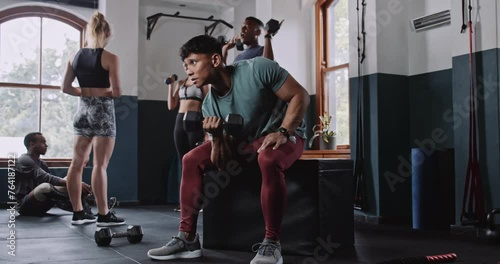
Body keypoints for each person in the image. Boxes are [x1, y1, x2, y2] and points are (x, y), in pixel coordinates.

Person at [147, 35, 310, 264]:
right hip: (246, 144)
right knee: (191, 159)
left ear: (215, 59)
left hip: (288, 135)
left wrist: (283, 131)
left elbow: (299, 95)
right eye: (186, 66)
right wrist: (215, 137)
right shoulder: (209, 104)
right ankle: (188, 238)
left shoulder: (257, 68)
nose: (189, 71)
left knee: (267, 159)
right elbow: (222, 164)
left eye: (193, 62)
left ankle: (272, 243)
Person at [61, 11, 125, 226]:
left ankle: (78, 213)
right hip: (103, 113)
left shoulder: (75, 56)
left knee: (76, 164)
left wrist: (86, 93)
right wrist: (99, 93)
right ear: (106, 33)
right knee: (100, 165)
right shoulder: (110, 58)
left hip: (82, 111)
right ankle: (104, 215)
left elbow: (65, 88)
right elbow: (116, 92)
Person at [14, 132, 93, 218]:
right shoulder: (24, 160)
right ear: (32, 144)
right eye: (43, 142)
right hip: (25, 206)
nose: (46, 145)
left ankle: (83, 211)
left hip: (42, 205)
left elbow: (54, 186)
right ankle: (78, 210)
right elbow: (47, 179)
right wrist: (76, 185)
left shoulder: (42, 163)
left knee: (71, 180)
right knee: (46, 186)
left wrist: (76, 184)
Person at [166, 76, 210, 211]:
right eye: (185, 64)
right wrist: (170, 85)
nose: (187, 67)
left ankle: (199, 201)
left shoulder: (201, 82)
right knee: (182, 161)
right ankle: (185, 203)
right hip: (180, 120)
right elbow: (171, 105)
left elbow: (209, 103)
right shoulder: (181, 83)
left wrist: (207, 130)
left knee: (196, 163)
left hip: (195, 119)